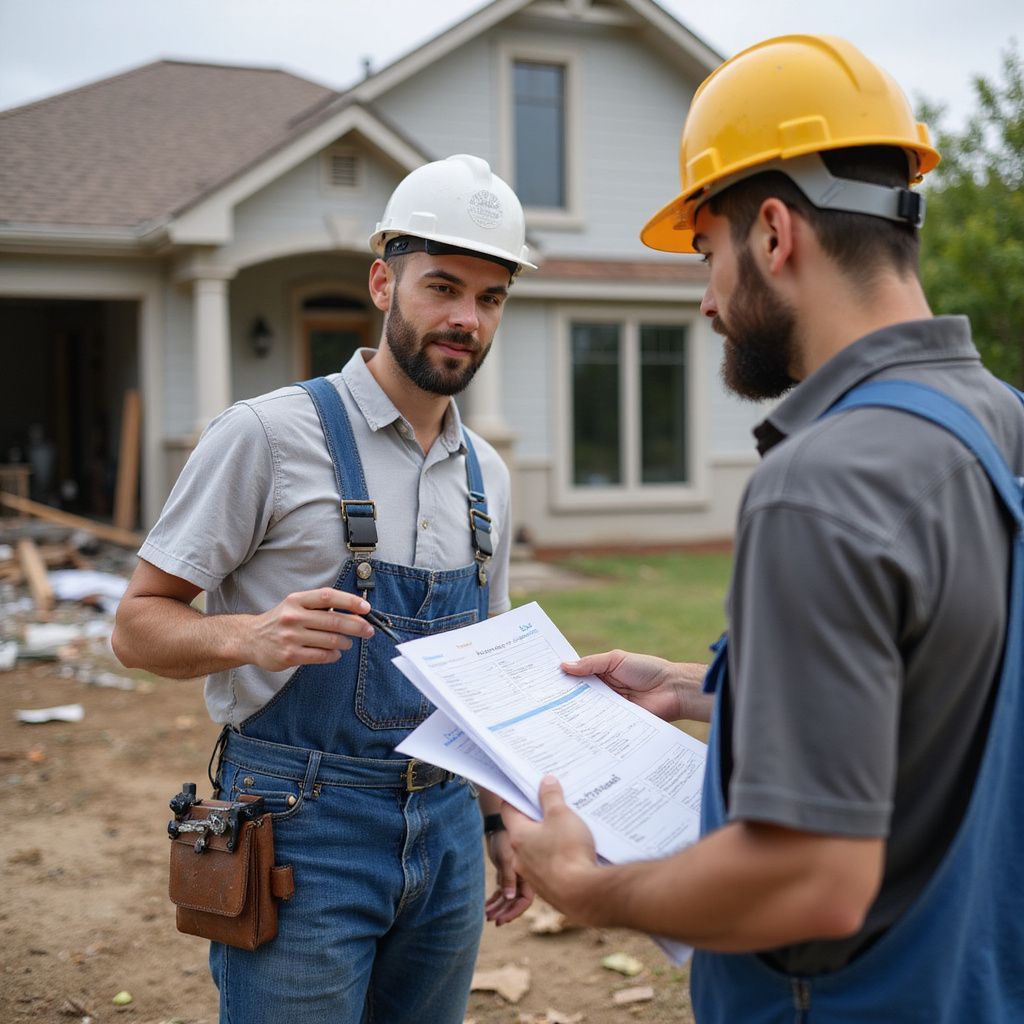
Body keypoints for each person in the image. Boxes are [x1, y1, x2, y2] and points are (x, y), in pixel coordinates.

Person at [501, 34, 1024, 1022]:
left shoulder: (819, 483)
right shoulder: (1001, 420)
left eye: (706, 252)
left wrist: (583, 885)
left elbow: (808, 879)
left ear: (773, 232)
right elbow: (946, 679)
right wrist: (704, 687)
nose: (703, 299)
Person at [112, 153, 536, 1024]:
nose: (465, 319)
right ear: (383, 282)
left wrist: (497, 819)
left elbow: (483, 676)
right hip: (302, 825)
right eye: (443, 287)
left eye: (489, 298)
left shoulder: (487, 471)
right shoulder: (266, 435)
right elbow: (135, 624)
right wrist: (247, 637)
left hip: (447, 826)